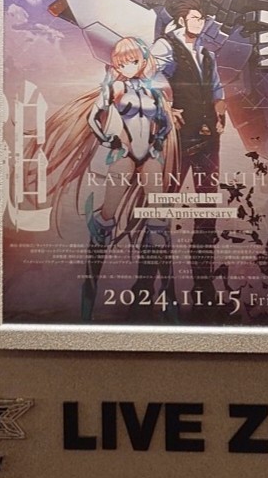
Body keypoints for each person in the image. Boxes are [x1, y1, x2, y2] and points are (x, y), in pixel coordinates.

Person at [44, 36, 177, 321]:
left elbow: (164, 123)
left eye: (133, 61)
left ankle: (170, 301)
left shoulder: (153, 92)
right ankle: (88, 298)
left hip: (150, 158)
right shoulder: (115, 88)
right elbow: (94, 118)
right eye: (122, 62)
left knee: (158, 224)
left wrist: (158, 141)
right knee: (106, 220)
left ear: (143, 60)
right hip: (124, 156)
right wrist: (109, 140)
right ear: (117, 64)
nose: (128, 66)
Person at [156, 0, 227, 310]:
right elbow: (151, 77)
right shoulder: (166, 46)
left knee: (207, 207)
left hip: (209, 138)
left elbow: (217, 89)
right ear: (182, 20)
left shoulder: (207, 54)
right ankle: (153, 280)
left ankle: (203, 281)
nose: (200, 23)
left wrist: (220, 115)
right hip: (179, 137)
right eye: (196, 18)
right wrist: (167, 108)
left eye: (203, 18)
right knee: (163, 205)